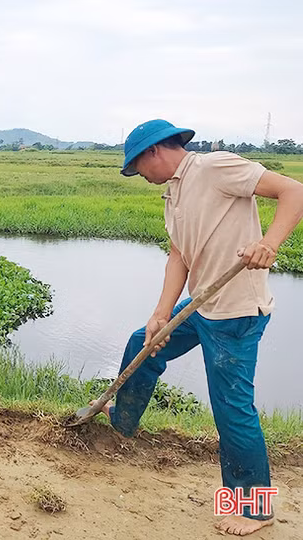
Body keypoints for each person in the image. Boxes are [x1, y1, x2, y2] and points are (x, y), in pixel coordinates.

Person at [96, 119, 303, 536]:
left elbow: (294, 191)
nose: (140, 177)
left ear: (154, 152)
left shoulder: (214, 167)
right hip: (204, 304)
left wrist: (270, 243)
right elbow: (179, 256)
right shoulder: (173, 194)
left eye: (137, 167)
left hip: (236, 312)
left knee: (231, 407)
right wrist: (161, 313)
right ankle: (123, 422)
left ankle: (255, 507)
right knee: (145, 342)